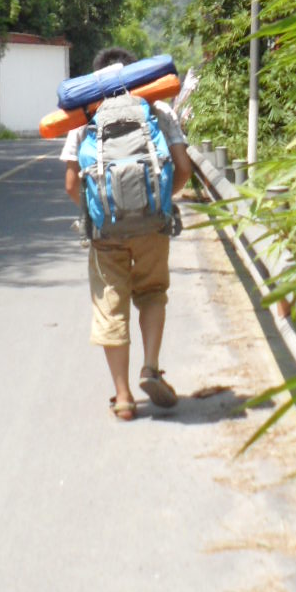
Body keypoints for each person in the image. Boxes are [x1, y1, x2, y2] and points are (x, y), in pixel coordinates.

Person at [61, 45, 194, 421]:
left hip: (106, 231)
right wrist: (161, 201)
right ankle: (150, 368)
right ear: (138, 76)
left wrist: (96, 211)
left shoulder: (84, 118)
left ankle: (122, 397)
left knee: (110, 306)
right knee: (152, 292)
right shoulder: (158, 109)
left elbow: (72, 183)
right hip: (153, 222)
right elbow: (182, 166)